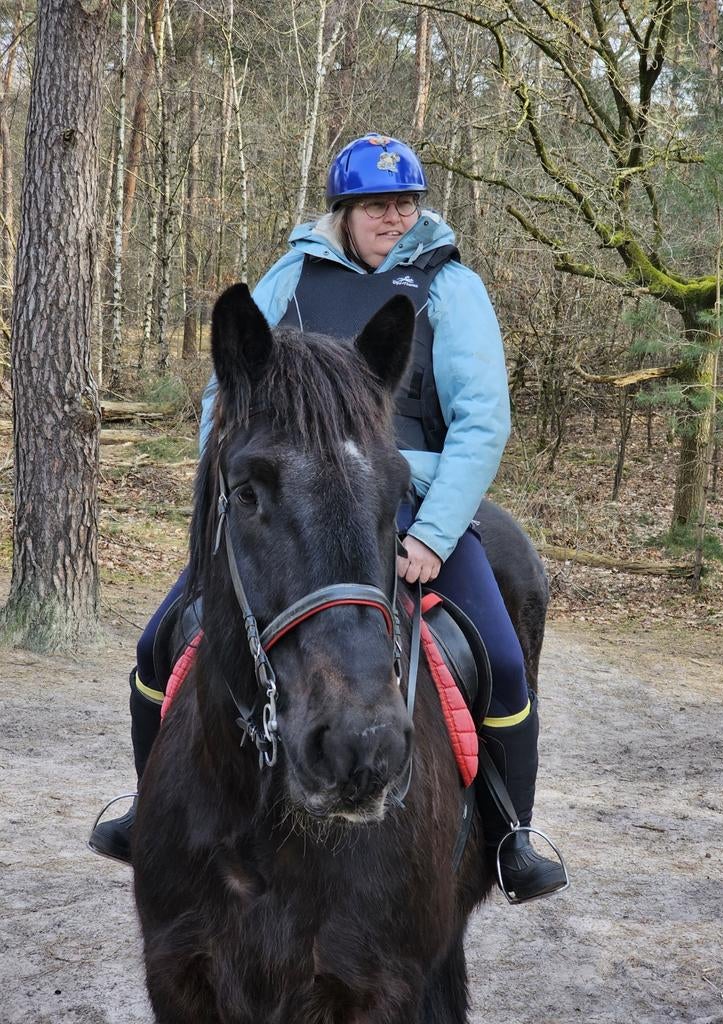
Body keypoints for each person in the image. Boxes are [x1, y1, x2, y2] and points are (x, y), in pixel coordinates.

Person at [89, 132, 567, 903]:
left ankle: (512, 835)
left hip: (410, 502)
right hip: (294, 504)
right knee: (157, 645)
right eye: (377, 205)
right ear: (343, 211)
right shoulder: (291, 278)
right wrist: (229, 495)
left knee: (503, 664)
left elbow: (483, 421)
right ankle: (152, 808)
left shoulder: (451, 289)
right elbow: (226, 398)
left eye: (405, 203)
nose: (395, 217)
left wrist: (433, 534)